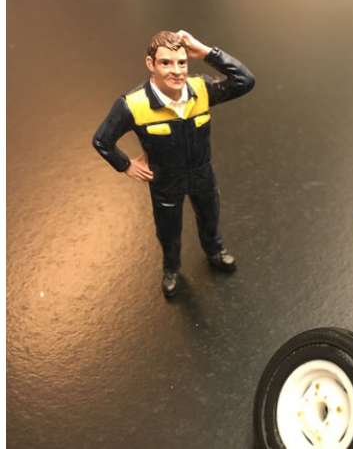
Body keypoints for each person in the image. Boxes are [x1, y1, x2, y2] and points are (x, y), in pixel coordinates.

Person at [93, 30, 255, 297]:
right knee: (168, 231)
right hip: (165, 182)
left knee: (210, 218)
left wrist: (206, 52)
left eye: (182, 62)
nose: (177, 71)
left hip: (202, 175)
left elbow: (245, 81)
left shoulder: (201, 89)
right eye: (166, 63)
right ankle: (171, 269)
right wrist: (126, 165)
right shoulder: (133, 104)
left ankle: (215, 251)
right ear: (151, 64)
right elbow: (102, 140)